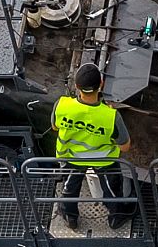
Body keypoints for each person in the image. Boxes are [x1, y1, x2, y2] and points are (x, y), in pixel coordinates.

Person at [49, 64, 129, 228]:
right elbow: (125, 147)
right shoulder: (111, 116)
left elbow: (54, 127)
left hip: (71, 157)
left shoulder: (62, 105)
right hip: (103, 161)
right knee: (111, 189)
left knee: (69, 187)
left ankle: (70, 218)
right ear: (101, 84)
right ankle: (116, 218)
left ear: (77, 86)